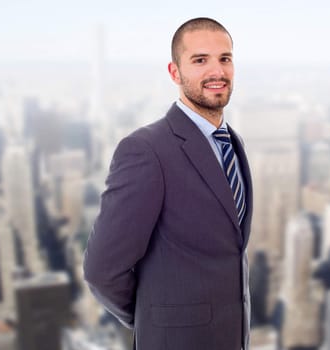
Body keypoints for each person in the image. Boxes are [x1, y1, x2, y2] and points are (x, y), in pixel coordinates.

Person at [83, 17, 253, 350]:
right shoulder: (146, 150)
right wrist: (154, 316)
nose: (217, 71)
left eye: (225, 59)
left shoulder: (233, 144)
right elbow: (102, 269)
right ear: (175, 73)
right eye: (200, 60)